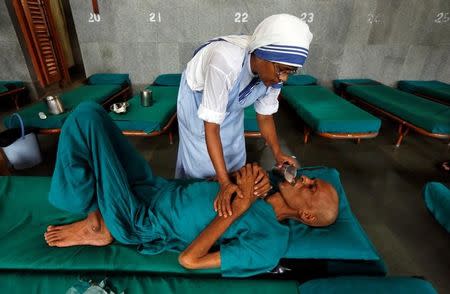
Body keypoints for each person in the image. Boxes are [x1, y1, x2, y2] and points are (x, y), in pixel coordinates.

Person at [44, 103, 338, 277]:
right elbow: (213, 190)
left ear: (307, 217)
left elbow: (190, 260)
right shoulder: (266, 185)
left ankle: (96, 223)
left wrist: (242, 205)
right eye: (311, 179)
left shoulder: (270, 245)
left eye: (311, 188)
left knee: (83, 118)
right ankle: (96, 213)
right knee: (94, 111)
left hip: (140, 218)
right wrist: (239, 178)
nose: (304, 178)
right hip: (154, 187)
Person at [176, 14, 314, 217]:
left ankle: (229, 197)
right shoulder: (225, 61)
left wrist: (277, 153)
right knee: (203, 163)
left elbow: (265, 117)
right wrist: (223, 183)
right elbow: (211, 127)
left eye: (289, 72)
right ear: (262, 55)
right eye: (281, 71)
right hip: (198, 101)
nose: (282, 78)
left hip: (231, 104)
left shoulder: (274, 72)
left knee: (233, 149)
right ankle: (196, 208)